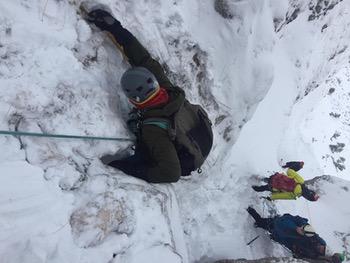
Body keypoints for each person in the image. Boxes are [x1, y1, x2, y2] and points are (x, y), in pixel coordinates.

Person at [84, 7, 213, 183]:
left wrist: (125, 168)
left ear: (134, 101)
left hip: (184, 159)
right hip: (197, 137)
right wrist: (115, 28)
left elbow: (171, 173)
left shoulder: (153, 130)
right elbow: (143, 58)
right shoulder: (168, 89)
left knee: (142, 154)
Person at [246, 207, 344, 262]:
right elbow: (308, 230)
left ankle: (254, 216)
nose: (321, 247)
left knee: (266, 224)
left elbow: (297, 250)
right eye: (323, 247)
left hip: (282, 235)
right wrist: (302, 227)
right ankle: (251, 212)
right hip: (284, 228)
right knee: (267, 223)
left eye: (322, 249)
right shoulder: (316, 240)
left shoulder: (315, 254)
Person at [252, 161, 319, 201]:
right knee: (263, 188)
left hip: (277, 178)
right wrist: (271, 197)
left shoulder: (301, 181)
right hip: (275, 187)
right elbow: (282, 196)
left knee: (266, 179)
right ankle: (253, 187)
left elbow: (289, 171)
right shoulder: (294, 195)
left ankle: (254, 176)